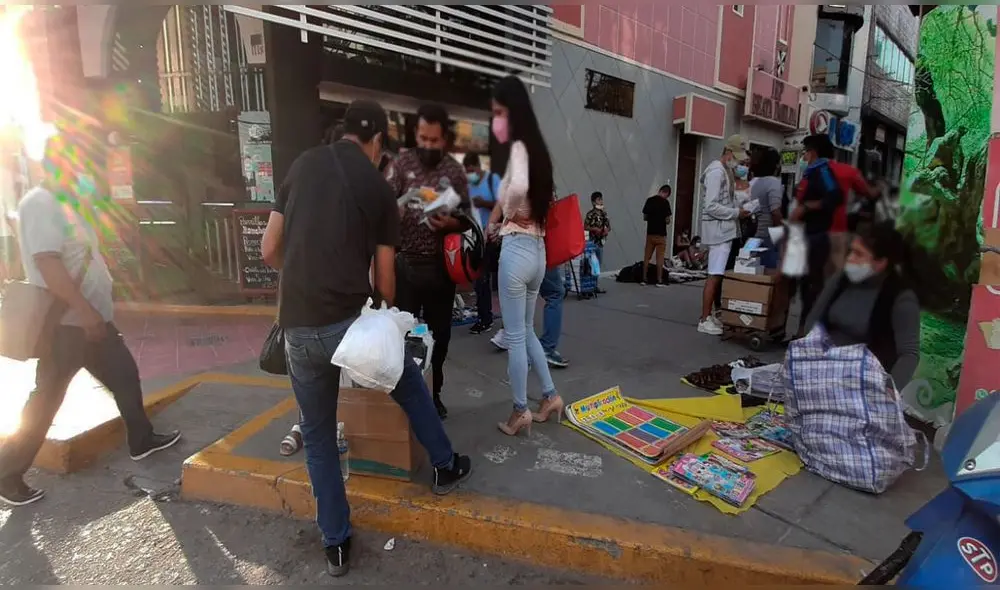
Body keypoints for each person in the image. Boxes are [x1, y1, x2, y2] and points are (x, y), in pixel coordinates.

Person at [260, 99, 473, 577]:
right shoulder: (377, 190)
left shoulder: (300, 165)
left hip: (298, 326)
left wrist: (305, 278)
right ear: (376, 141)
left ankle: (336, 543)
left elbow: (269, 248)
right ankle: (444, 466)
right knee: (408, 383)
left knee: (316, 436)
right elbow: (386, 285)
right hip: (347, 325)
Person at [0, 133, 181, 507]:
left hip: (90, 321)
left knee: (125, 375)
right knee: (47, 398)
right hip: (69, 325)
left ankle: (141, 439)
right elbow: (48, 263)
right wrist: (84, 312)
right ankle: (7, 473)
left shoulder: (67, 204)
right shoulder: (40, 203)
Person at [483, 75, 562, 436]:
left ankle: (520, 411)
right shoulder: (539, 150)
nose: (495, 119)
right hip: (538, 250)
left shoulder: (517, 148)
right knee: (527, 330)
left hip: (516, 250)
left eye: (499, 112)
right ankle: (549, 396)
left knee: (515, 335)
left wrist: (506, 216)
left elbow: (515, 190)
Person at [386, 103, 472, 420]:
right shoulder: (401, 164)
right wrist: (394, 209)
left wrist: (451, 223)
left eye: (434, 140)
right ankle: (406, 396)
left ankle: (434, 395)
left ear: (444, 139)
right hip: (405, 265)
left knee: (440, 338)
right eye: (423, 137)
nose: (427, 145)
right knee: (402, 337)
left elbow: (466, 220)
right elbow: (384, 207)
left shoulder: (455, 171)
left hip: (440, 270)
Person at [803, 222, 920, 387]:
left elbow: (909, 354)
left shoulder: (900, 298)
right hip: (821, 369)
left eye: (858, 254)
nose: (850, 258)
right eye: (851, 251)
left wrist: (889, 391)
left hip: (863, 381)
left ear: (880, 263)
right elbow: (813, 320)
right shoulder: (840, 280)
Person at [790, 134, 848, 323]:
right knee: (802, 283)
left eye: (805, 153)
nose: (803, 158)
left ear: (813, 153)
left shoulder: (822, 171)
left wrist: (807, 207)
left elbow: (835, 197)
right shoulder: (811, 173)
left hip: (817, 236)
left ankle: (805, 330)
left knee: (811, 285)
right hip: (805, 234)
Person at [698, 135, 751, 336]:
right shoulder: (716, 172)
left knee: (717, 275)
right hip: (718, 232)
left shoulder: (723, 171)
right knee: (714, 275)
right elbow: (711, 206)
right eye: (736, 157)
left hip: (723, 230)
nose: (737, 162)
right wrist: (736, 212)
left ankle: (708, 315)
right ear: (728, 152)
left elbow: (720, 203)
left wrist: (738, 209)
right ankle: (704, 319)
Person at [464, 152, 501, 335]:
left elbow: (503, 204)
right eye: (467, 171)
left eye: (472, 170)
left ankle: (509, 321)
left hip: (496, 236)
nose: (470, 174)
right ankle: (484, 317)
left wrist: (484, 203)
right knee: (480, 279)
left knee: (501, 279)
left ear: (478, 168)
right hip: (478, 237)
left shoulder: (492, 180)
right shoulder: (468, 185)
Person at [750, 147, 784, 269]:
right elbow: (775, 211)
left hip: (756, 235)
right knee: (770, 273)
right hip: (769, 236)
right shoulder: (773, 182)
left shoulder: (755, 183)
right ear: (775, 165)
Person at [640, 184, 673, 287]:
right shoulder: (666, 203)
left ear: (660, 190)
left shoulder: (649, 201)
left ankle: (644, 279)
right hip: (661, 235)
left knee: (647, 257)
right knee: (660, 259)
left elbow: (645, 217)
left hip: (650, 234)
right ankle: (659, 281)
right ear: (667, 193)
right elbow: (667, 220)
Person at [583, 191, 610, 295]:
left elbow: (608, 225)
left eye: (601, 199)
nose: (601, 201)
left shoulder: (604, 214)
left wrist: (607, 230)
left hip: (600, 242)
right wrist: (594, 228)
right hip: (592, 242)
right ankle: (588, 286)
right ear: (593, 202)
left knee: (597, 266)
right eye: (598, 200)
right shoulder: (590, 214)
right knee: (590, 265)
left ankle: (595, 286)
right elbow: (585, 226)